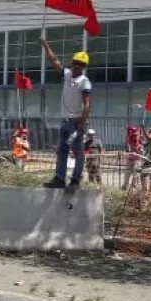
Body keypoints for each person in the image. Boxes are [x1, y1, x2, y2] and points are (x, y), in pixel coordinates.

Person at [39, 35, 91, 192]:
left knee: (78, 153)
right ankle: (59, 179)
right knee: (62, 151)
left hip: (76, 123)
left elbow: (87, 104)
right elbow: (55, 60)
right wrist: (45, 45)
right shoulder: (67, 74)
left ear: (84, 67)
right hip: (65, 121)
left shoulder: (84, 82)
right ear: (72, 63)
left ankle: (75, 181)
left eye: (80, 64)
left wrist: (82, 122)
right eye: (75, 62)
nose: (77, 66)